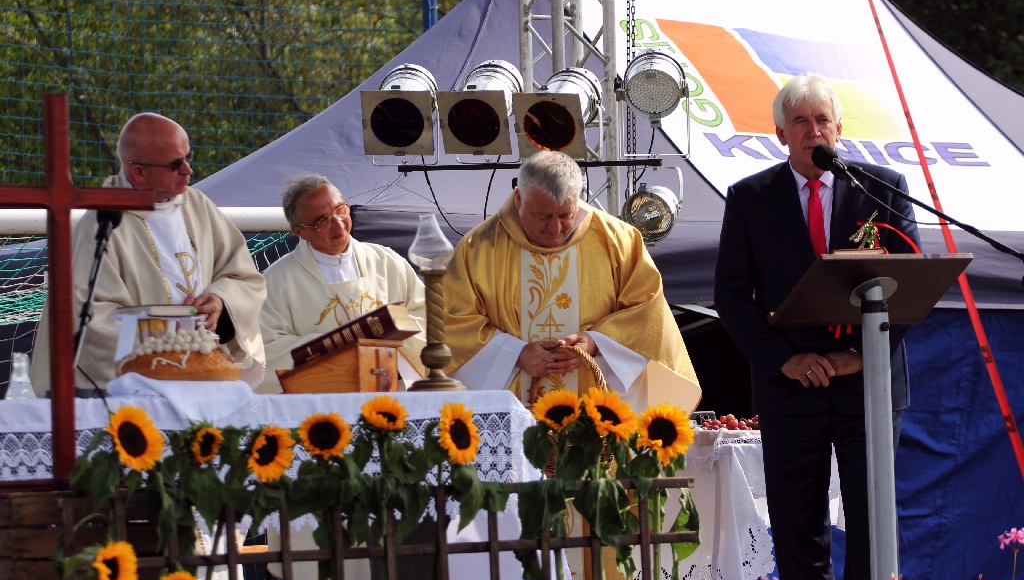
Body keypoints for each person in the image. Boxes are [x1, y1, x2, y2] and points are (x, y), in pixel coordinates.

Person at [713, 72, 921, 580]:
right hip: (791, 384)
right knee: (796, 520)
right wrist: (785, 360)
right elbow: (733, 296)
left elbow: (913, 282)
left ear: (839, 129)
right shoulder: (750, 197)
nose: (813, 131)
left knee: (873, 518)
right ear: (781, 134)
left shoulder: (883, 188)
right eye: (800, 122)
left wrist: (860, 352)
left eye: (822, 120)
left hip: (867, 383)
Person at [443, 149, 700, 412]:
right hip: (514, 410)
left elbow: (647, 311)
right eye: (543, 216)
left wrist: (596, 341)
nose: (555, 229)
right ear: (519, 198)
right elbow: (453, 321)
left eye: (565, 215)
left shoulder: (619, 240)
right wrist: (514, 355)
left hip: (598, 411)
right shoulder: (478, 248)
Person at [31, 112, 267, 394]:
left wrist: (220, 301)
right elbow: (86, 320)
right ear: (138, 172)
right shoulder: (102, 224)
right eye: (174, 164)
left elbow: (244, 277)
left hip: (206, 375)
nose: (188, 171)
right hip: (134, 393)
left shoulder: (198, 206)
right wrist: (165, 340)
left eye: (188, 157)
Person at [258, 174, 426, 393]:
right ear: (299, 231)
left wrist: (390, 339)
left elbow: (427, 319)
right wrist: (340, 346)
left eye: (340, 210)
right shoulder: (277, 281)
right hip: (323, 401)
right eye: (322, 220)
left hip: (395, 388)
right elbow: (266, 350)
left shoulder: (387, 262)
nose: (338, 224)